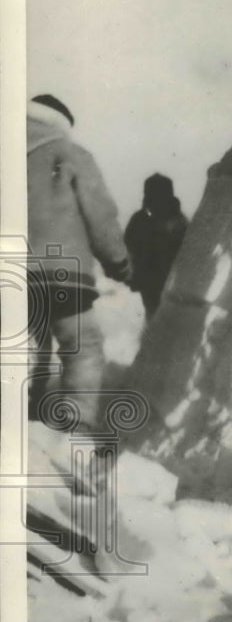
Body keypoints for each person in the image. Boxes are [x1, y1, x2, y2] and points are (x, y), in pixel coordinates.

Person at [27, 93, 132, 432]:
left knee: (29, 341)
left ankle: (24, 412)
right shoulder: (72, 154)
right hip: (65, 272)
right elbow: (100, 216)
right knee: (82, 346)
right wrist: (119, 264)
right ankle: (75, 424)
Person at [124, 173, 188, 318]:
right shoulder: (178, 220)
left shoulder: (176, 221)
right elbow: (128, 249)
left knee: (160, 316)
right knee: (156, 315)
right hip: (152, 280)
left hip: (168, 281)